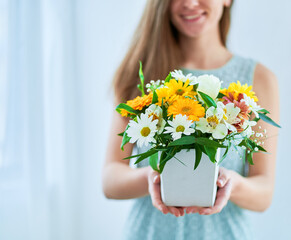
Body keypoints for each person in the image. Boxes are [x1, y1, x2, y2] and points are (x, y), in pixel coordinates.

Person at [102, 0, 280, 239]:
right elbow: (110, 179)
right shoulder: (141, 73)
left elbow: (264, 193)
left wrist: (231, 184)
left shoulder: (258, 79)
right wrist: (153, 177)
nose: (190, 3)